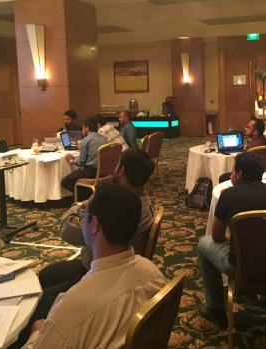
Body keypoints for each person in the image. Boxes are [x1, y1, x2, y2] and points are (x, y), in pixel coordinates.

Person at [21, 183, 167, 349]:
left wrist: (36, 334)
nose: (81, 220)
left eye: (83, 214)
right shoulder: (153, 273)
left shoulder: (70, 306)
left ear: (94, 224)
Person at [40, 149, 155, 300]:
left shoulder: (116, 206)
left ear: (121, 171)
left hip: (100, 272)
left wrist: (80, 206)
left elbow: (68, 231)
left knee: (41, 300)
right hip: (115, 266)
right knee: (46, 275)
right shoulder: (140, 199)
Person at [197, 152, 266, 327]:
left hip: (241, 266)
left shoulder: (228, 195)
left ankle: (215, 308)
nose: (231, 175)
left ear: (239, 174)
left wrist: (232, 237)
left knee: (203, 245)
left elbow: (216, 236)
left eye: (232, 171)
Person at [61, 115, 107, 195]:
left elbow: (81, 163)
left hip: (91, 172)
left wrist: (71, 160)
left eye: (83, 128)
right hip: (103, 171)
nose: (82, 130)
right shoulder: (104, 138)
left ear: (87, 128)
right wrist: (76, 159)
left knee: (65, 182)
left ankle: (85, 196)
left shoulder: (86, 140)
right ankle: (90, 194)